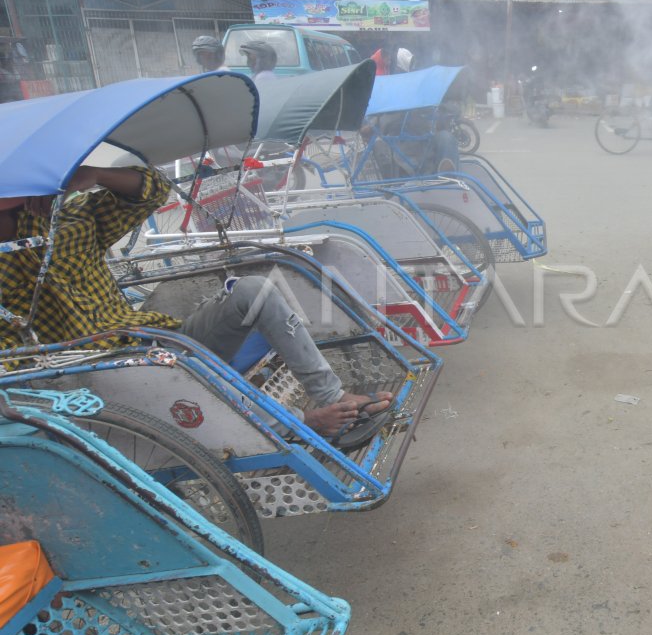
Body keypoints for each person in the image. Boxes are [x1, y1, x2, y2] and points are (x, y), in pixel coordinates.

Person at [0, 165, 391, 447]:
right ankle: (300, 425)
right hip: (94, 379)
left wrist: (95, 174)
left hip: (158, 340)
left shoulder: (70, 224)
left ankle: (331, 396)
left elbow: (154, 189)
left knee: (254, 289)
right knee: (182, 370)